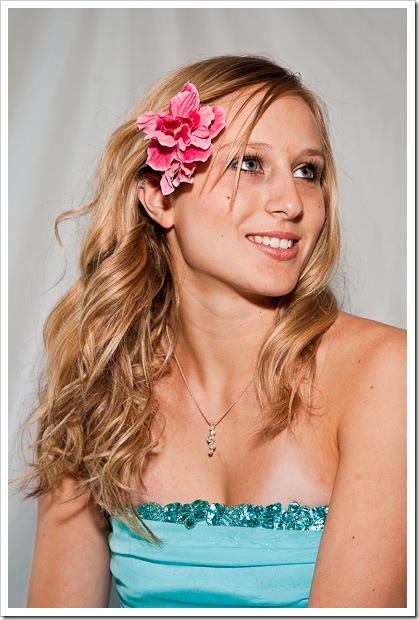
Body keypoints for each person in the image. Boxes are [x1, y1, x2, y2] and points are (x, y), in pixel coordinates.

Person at [23, 54, 406, 608]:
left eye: (308, 171)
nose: (291, 203)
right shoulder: (100, 385)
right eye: (249, 163)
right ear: (160, 196)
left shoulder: (386, 375)